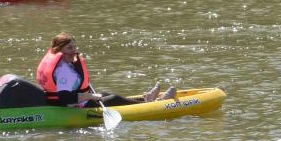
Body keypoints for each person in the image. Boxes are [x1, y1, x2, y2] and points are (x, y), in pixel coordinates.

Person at [35, 32, 176, 107]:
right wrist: (89, 96)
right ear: (59, 50)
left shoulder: (65, 63)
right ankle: (154, 104)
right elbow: (65, 98)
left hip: (75, 102)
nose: (74, 51)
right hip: (72, 107)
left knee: (105, 94)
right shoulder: (63, 71)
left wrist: (89, 94)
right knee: (113, 99)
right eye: (69, 48)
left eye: (74, 47)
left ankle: (145, 98)